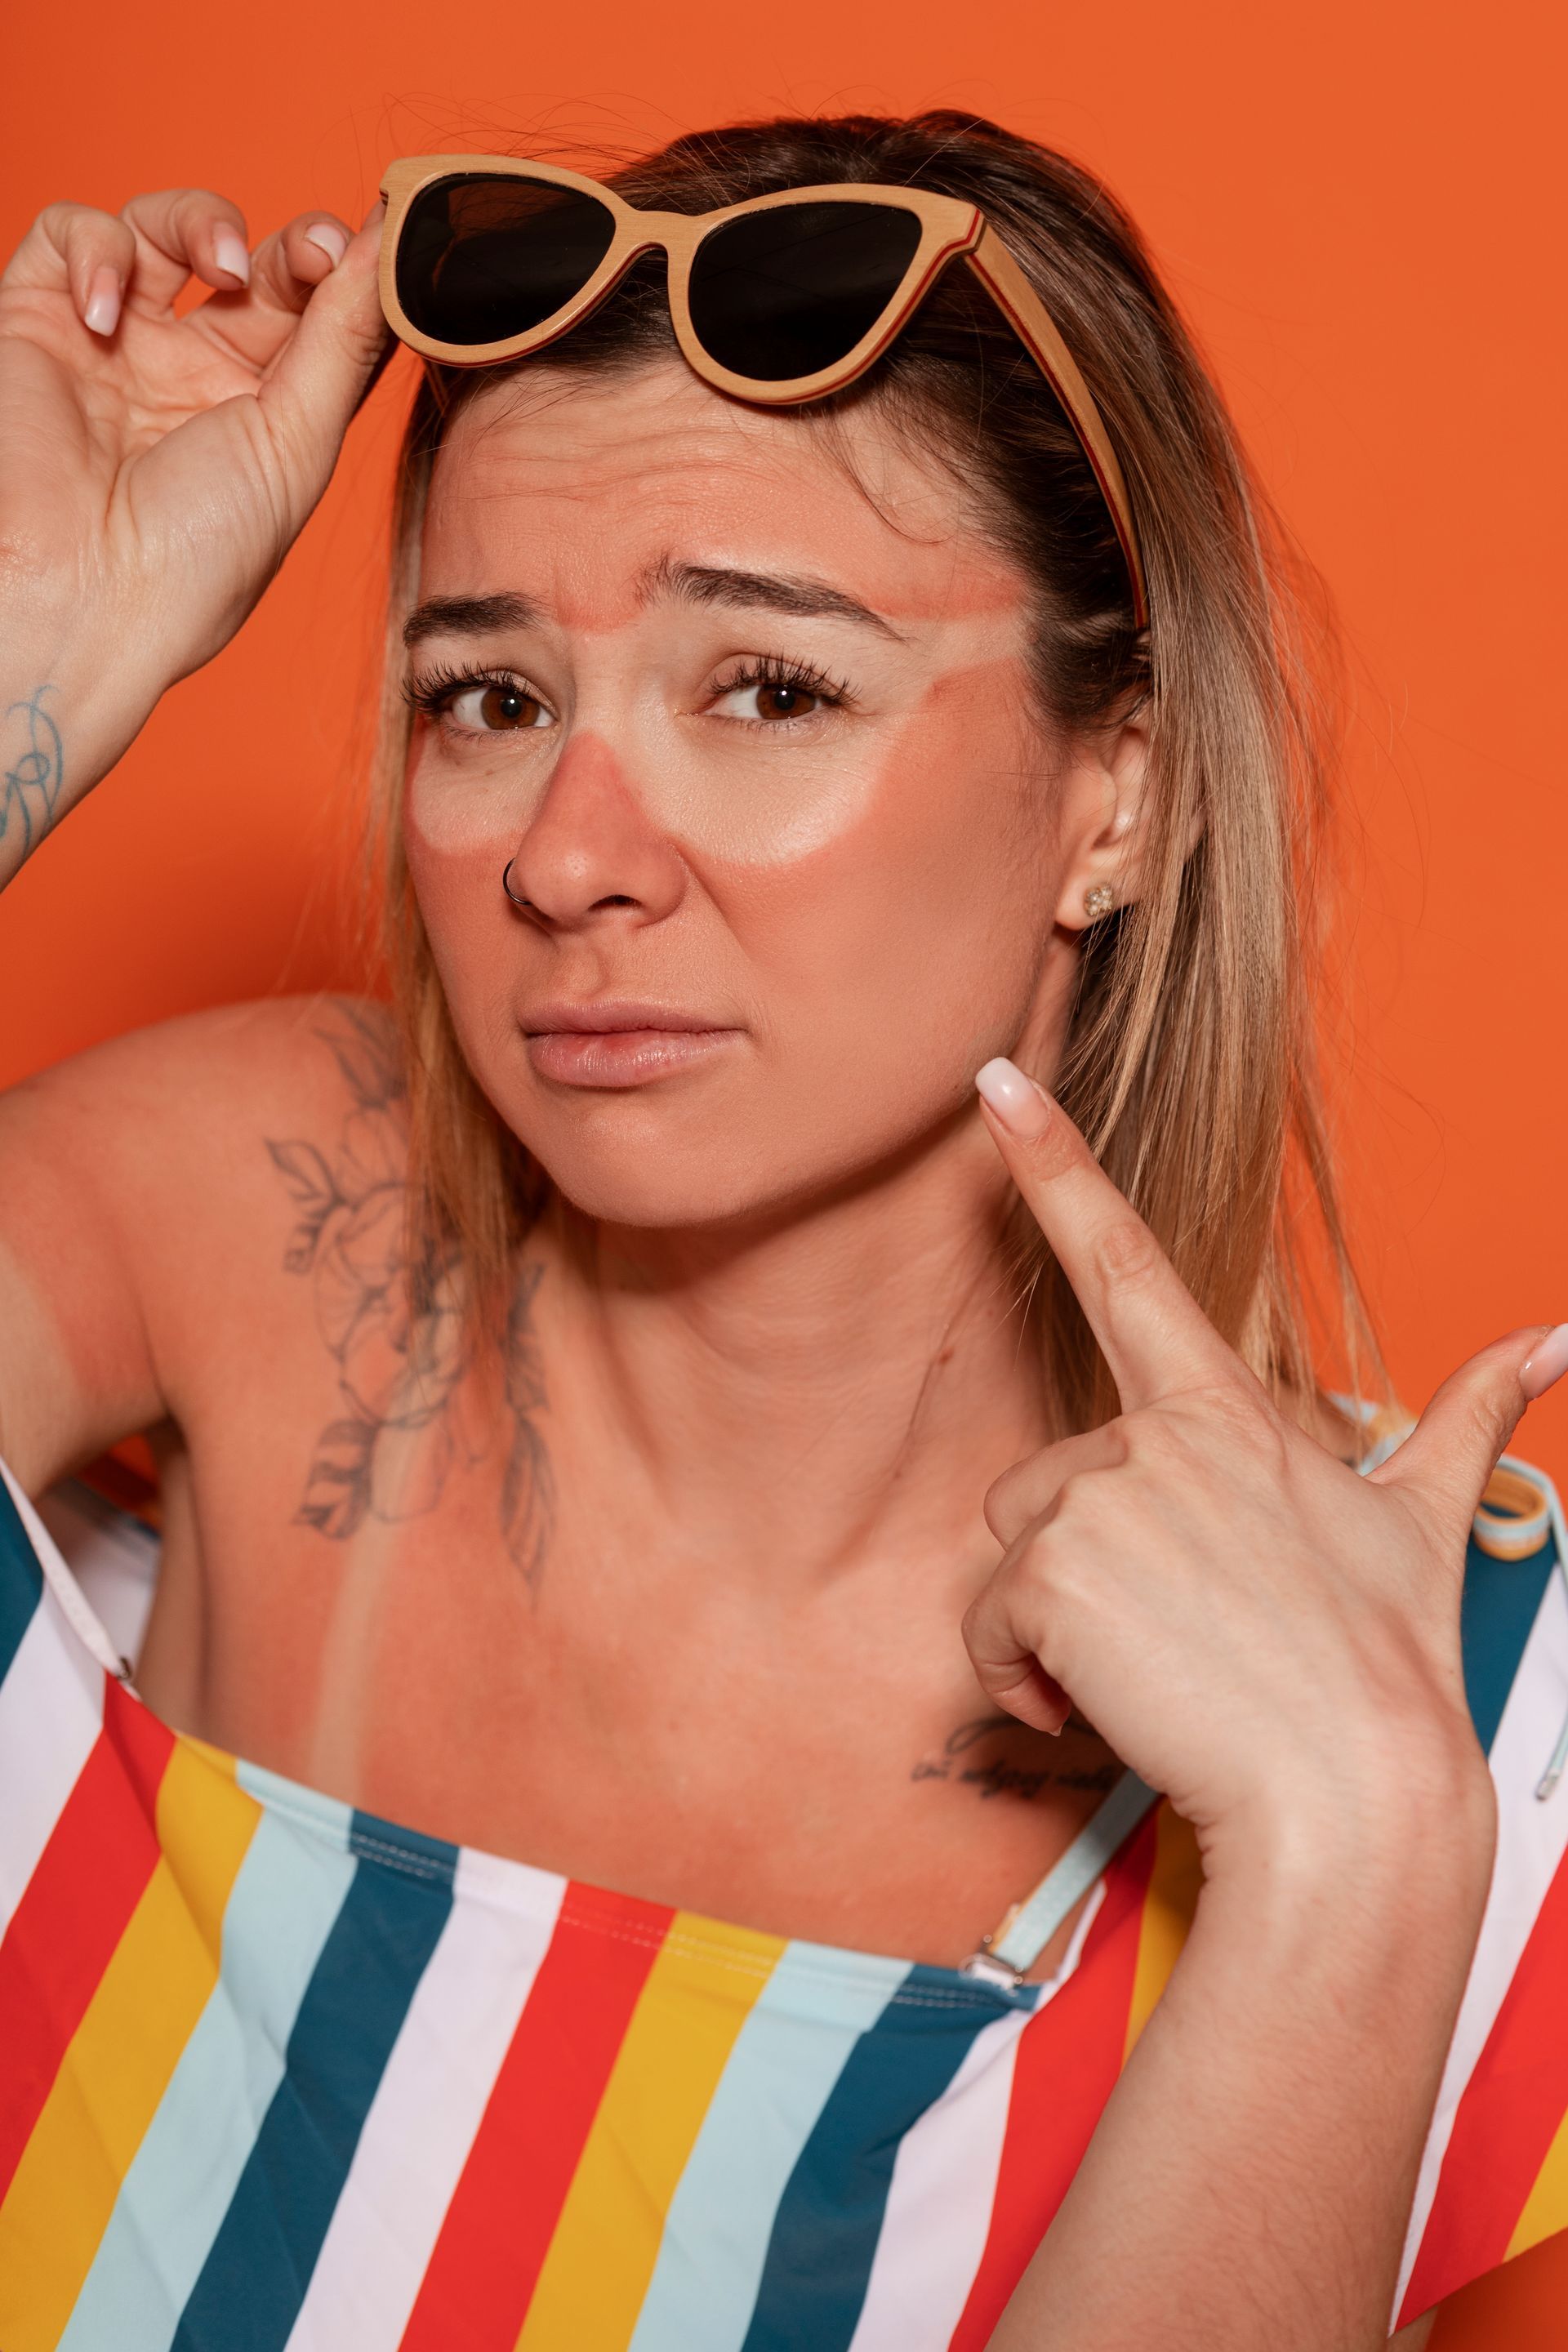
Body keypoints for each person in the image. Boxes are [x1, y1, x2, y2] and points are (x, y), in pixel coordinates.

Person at [0, 109, 1564, 2352]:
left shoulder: (1468, 1712)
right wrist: (25, 651)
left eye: (766, 687)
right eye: (489, 696)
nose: (566, 857)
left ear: (1114, 796)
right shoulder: (243, 1219)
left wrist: (1348, 1860)